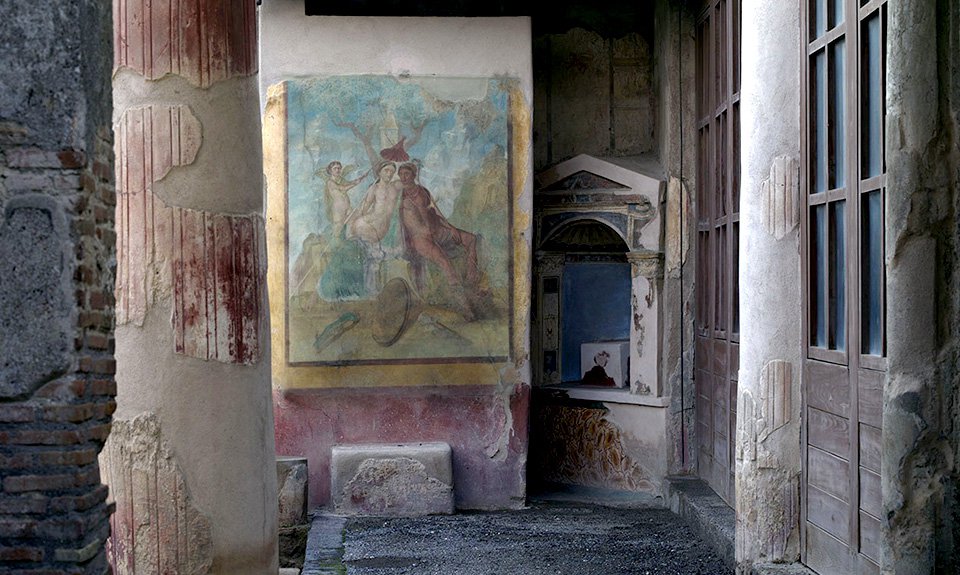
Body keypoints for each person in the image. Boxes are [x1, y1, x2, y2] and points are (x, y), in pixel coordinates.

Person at [396, 162, 485, 320]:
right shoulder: (401, 198)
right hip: (421, 240)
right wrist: (426, 231)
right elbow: (412, 226)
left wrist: (450, 227)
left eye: (406, 174)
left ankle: (472, 282)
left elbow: (435, 211)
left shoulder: (423, 191)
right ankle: (465, 308)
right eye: (401, 174)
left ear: (413, 175)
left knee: (471, 239)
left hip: (437, 231)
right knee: (446, 264)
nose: (403, 177)